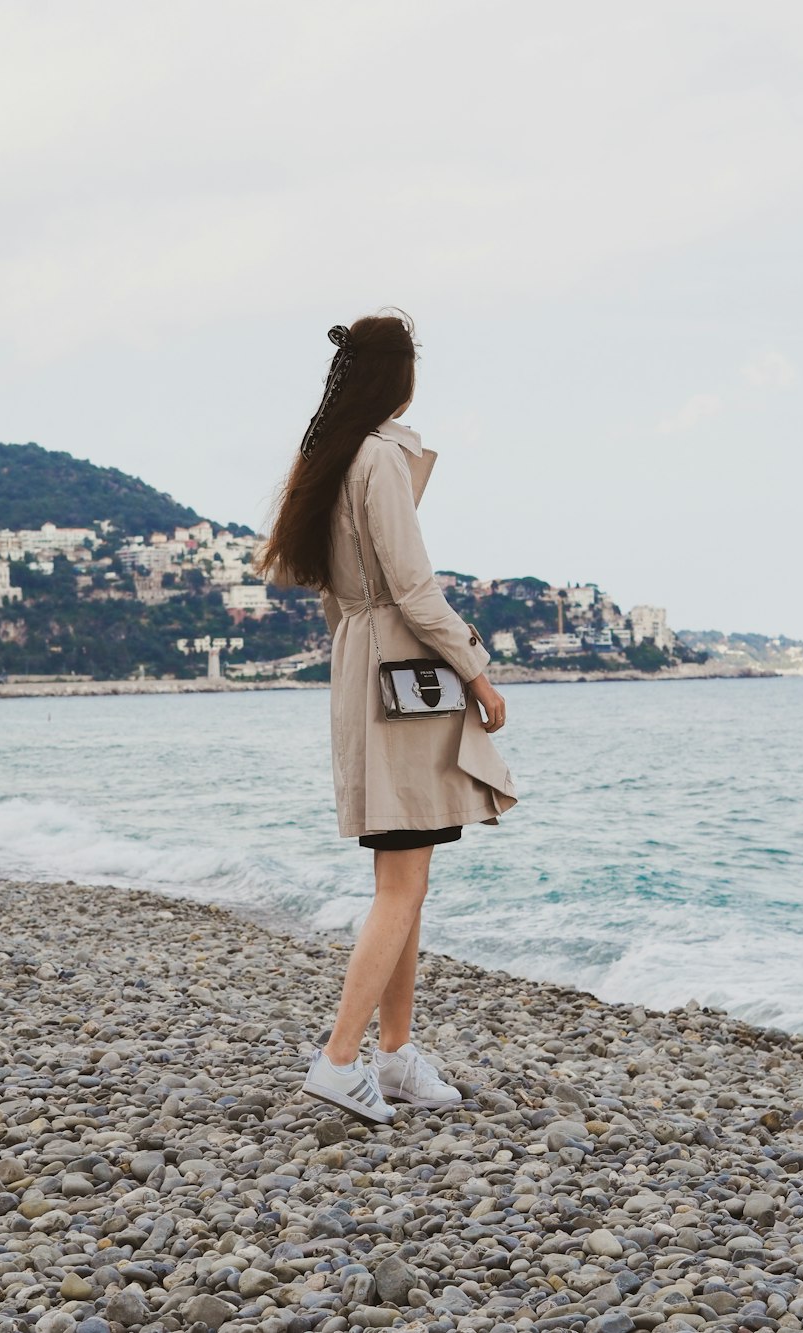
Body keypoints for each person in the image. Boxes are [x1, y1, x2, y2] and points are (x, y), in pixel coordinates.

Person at [258, 310, 517, 1126]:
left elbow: (340, 596)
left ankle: (396, 1053)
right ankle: (340, 1059)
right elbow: (414, 586)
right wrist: (478, 672)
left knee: (405, 874)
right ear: (398, 376)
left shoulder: (330, 459)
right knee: (402, 882)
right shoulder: (376, 458)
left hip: (364, 669)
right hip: (405, 680)